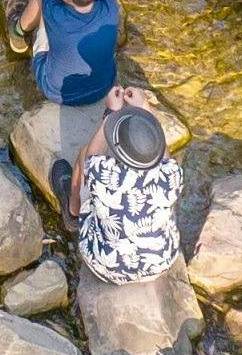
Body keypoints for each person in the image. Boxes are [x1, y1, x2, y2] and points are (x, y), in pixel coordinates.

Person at [5, 0, 126, 208]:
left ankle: (17, 35)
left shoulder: (55, 9)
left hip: (56, 89)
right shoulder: (109, 6)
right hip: (104, 85)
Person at [71, 102, 184, 284]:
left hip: (105, 267)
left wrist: (111, 112)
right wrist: (145, 108)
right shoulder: (171, 174)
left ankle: (73, 210)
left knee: (83, 154)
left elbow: (92, 153)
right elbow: (164, 156)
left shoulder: (104, 174)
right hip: (160, 265)